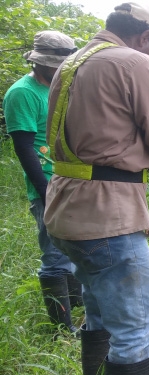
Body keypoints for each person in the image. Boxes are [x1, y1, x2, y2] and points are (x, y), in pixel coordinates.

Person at [44, 3, 149, 374]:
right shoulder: (132, 62)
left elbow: (105, 133)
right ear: (145, 37)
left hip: (66, 211)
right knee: (135, 332)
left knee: (99, 315)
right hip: (108, 216)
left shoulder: (71, 64)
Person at [3, 30, 81, 336]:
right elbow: (24, 147)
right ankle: (63, 328)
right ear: (43, 64)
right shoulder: (22, 93)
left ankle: (75, 307)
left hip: (69, 181)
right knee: (54, 255)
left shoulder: (59, 89)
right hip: (47, 185)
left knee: (73, 248)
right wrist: (45, 192)